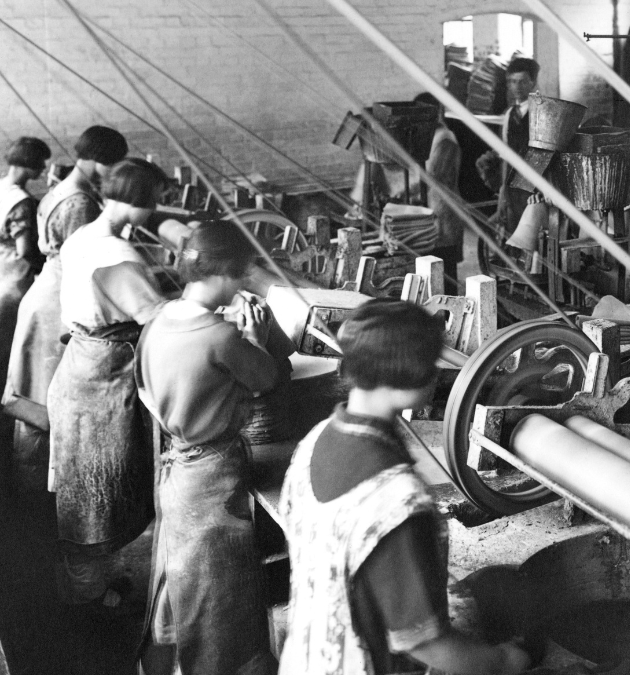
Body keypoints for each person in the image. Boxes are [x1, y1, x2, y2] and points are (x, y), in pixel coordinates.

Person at [278, 299, 530, 675]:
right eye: (431, 364)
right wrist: (506, 662)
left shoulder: (314, 442)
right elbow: (428, 645)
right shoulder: (395, 502)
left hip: (305, 657)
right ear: (411, 373)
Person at [136, 219, 292, 674]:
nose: (244, 284)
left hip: (178, 468)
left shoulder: (160, 318)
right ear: (224, 273)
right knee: (221, 596)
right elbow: (267, 378)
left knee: (186, 582)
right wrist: (254, 339)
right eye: (242, 275)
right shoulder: (221, 336)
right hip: (212, 477)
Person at [46, 157, 166, 608]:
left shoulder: (86, 236)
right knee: (99, 495)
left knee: (84, 491)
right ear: (140, 200)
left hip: (81, 363)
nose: (155, 212)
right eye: (153, 202)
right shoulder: (117, 254)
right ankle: (88, 605)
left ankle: (87, 587)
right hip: (102, 381)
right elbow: (154, 317)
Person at [3, 126, 127, 496]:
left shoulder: (60, 190)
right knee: (46, 400)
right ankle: (39, 492)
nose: (111, 172)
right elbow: (84, 264)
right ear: (94, 160)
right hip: (57, 300)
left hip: (41, 294)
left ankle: (29, 487)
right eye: (110, 164)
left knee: (32, 394)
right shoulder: (81, 204)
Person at [0, 137, 51, 495]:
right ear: (31, 165)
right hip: (14, 284)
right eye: (41, 164)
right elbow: (25, 251)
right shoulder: (21, 202)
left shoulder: (1, 189)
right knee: (13, 360)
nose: (43, 171)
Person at [476, 56, 540, 236]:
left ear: (532, 83)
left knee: (536, 238)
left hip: (536, 187)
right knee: (514, 234)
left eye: (522, 81)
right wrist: (503, 192)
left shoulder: (542, 111)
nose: (516, 87)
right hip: (514, 189)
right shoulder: (509, 115)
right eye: (512, 82)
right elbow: (505, 157)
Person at [415, 91, 466, 285]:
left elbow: (433, 176)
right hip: (434, 208)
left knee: (446, 269)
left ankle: (447, 313)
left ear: (436, 113)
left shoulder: (445, 138)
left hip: (445, 211)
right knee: (434, 270)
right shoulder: (431, 135)